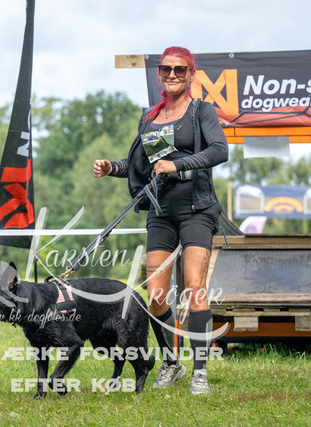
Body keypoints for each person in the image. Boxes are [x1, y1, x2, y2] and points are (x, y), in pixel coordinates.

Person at [93, 46, 228, 394]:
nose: (172, 75)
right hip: (160, 212)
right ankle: (172, 363)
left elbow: (219, 150)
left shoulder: (201, 111)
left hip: (196, 209)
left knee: (194, 287)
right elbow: (138, 165)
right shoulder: (150, 117)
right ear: (159, 74)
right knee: (154, 294)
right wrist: (112, 167)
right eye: (166, 69)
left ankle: (200, 373)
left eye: (180, 69)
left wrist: (177, 165)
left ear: (191, 74)